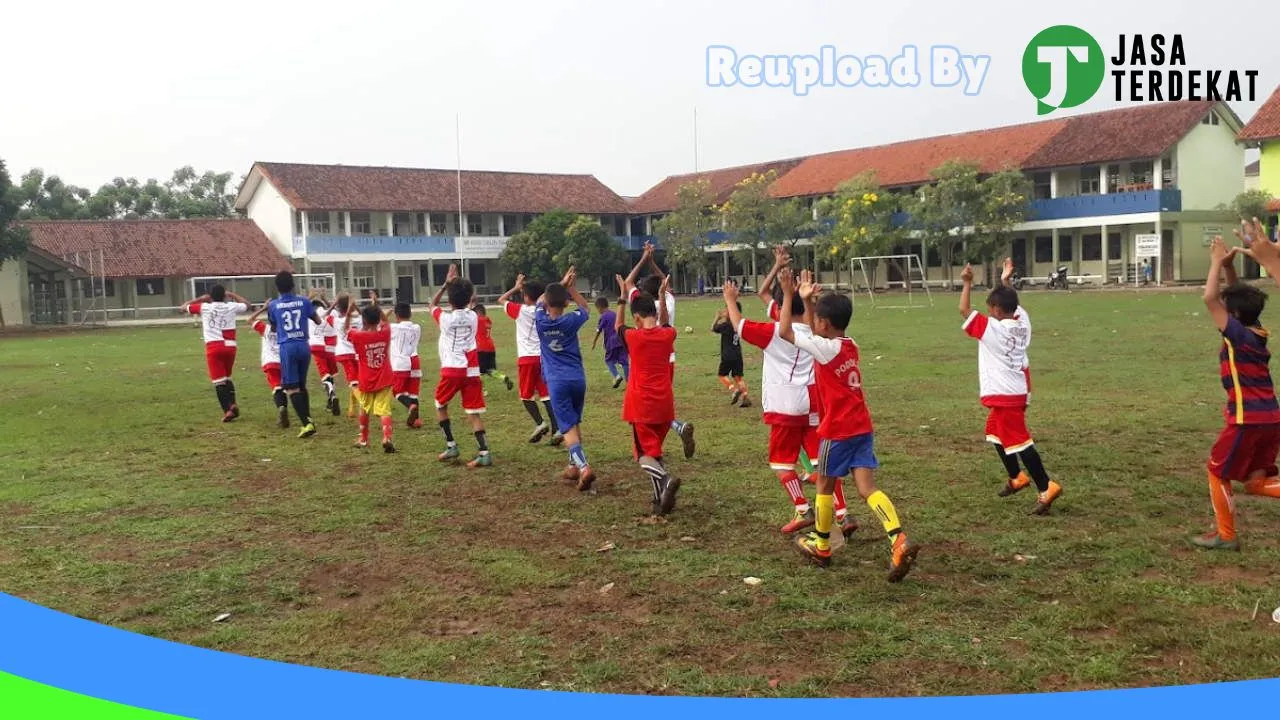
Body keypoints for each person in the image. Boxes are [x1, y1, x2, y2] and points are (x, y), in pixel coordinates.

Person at [777, 270, 919, 581]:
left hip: (837, 430)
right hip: (861, 426)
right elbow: (817, 334)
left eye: (817, 319)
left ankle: (823, 544)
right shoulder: (849, 343)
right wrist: (809, 301)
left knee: (825, 486)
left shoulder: (825, 348)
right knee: (868, 489)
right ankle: (898, 539)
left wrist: (789, 295)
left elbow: (786, 331)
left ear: (824, 324)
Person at [725, 273, 854, 538]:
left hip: (783, 405)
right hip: (812, 403)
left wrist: (730, 299)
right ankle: (842, 512)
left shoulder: (772, 332)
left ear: (779, 304)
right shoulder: (816, 331)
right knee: (821, 463)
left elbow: (737, 324)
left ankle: (802, 508)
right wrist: (808, 299)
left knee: (782, 462)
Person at [1189, 234, 1280, 550]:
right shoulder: (1256, 330)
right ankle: (1225, 534)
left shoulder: (1238, 335)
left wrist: (1214, 261)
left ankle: (1226, 536)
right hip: (1270, 417)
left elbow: (1210, 299)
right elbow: (1235, 299)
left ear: (1234, 317)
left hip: (1246, 419)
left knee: (1216, 472)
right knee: (1256, 482)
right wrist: (1229, 268)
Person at [959, 258, 1063, 515]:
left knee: (1020, 442)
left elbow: (964, 310)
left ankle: (1046, 486)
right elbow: (1010, 302)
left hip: (1006, 394)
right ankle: (1016, 476)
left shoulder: (993, 329)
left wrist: (967, 283)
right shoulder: (1022, 323)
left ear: (994, 310)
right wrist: (1005, 280)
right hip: (1015, 389)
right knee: (994, 431)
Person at [616, 274, 680, 515]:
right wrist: (662, 297)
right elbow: (665, 323)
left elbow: (618, 327)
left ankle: (665, 480)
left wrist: (622, 296)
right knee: (655, 454)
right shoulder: (667, 335)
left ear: (636, 318)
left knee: (643, 456)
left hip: (641, 406)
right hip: (665, 406)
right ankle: (659, 500)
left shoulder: (634, 337)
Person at [624, 242, 695, 458]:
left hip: (645, 357)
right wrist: (653, 262)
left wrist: (645, 258)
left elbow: (627, 282)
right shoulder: (668, 300)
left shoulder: (642, 305)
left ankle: (660, 440)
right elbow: (665, 282)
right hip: (668, 358)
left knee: (646, 405)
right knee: (659, 402)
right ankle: (676, 429)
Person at [536, 266, 596, 490]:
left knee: (567, 427)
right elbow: (585, 308)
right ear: (566, 303)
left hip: (557, 381)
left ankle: (583, 467)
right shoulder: (571, 320)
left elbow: (539, 302)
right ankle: (573, 466)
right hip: (578, 379)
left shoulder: (541, 321)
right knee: (574, 421)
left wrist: (560, 285)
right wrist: (571, 289)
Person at [431, 264, 491, 468]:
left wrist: (444, 286)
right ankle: (484, 452)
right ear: (469, 298)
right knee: (473, 412)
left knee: (440, 405)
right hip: (472, 369)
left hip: (452, 368)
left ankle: (451, 445)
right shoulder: (474, 316)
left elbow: (432, 304)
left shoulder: (445, 318)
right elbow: (468, 303)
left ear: (450, 299)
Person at [499, 275, 562, 445]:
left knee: (526, 396)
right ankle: (557, 429)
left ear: (526, 296)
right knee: (546, 395)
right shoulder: (546, 311)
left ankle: (540, 423)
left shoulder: (521, 310)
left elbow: (501, 299)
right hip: (543, 358)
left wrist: (516, 287)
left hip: (526, 359)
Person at [266, 271, 325, 438]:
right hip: (303, 345)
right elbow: (318, 320)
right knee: (301, 385)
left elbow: (273, 328)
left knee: (291, 388)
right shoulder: (304, 301)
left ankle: (307, 424)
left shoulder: (273, 305)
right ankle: (308, 419)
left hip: (287, 347)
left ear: (277, 288)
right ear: (293, 285)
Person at [180, 284, 251, 422]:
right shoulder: (231, 306)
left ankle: (227, 410)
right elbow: (247, 304)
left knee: (219, 381)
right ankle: (233, 403)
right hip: (230, 346)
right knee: (227, 377)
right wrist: (232, 294)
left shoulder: (205, 307)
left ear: (210, 297)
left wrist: (200, 298)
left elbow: (183, 307)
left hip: (214, 347)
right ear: (224, 295)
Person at [347, 302, 397, 453]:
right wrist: (377, 307)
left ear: (364, 321)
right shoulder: (385, 333)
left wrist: (349, 313)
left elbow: (346, 330)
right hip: (384, 378)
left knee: (364, 409)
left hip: (366, 379)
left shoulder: (358, 336)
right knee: (384, 410)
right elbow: (386, 322)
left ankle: (364, 438)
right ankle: (387, 437)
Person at [248, 304, 289, 428]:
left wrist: (263, 308)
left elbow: (250, 319)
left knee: (276, 387)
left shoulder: (265, 329)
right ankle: (284, 409)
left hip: (270, 362)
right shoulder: (285, 330)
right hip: (284, 362)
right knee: (284, 387)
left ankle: (281, 408)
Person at [389, 301, 423, 428]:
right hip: (414, 360)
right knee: (413, 393)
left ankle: (410, 406)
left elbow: (379, 323)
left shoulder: (394, 328)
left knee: (397, 391)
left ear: (397, 315)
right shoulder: (417, 327)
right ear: (410, 313)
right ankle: (416, 420)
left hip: (400, 363)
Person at [307, 291, 340, 416]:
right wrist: (327, 300)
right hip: (331, 348)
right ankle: (330, 401)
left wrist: (309, 296)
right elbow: (334, 310)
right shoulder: (329, 313)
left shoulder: (309, 314)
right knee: (330, 375)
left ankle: (332, 393)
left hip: (317, 346)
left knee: (325, 375)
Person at [329, 293, 363, 418]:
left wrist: (333, 304)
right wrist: (354, 306)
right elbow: (362, 315)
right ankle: (354, 408)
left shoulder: (336, 320)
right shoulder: (359, 320)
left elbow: (327, 315)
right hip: (357, 354)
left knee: (354, 383)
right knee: (356, 381)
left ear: (338, 307)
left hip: (344, 353)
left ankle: (358, 406)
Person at [712, 304, 750, 408]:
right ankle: (745, 397)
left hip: (727, 355)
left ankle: (734, 390)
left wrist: (718, 317)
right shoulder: (738, 324)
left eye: (727, 310)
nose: (725, 311)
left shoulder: (726, 325)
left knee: (722, 375)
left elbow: (713, 328)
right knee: (738, 377)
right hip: (738, 354)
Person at [473, 304, 514, 391]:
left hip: (481, 348)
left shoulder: (478, 320)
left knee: (477, 371)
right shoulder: (488, 320)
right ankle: (503, 377)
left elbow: (468, 315)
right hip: (490, 348)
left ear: (478, 313)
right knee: (490, 370)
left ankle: (482, 390)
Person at [592, 295, 629, 388]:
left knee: (609, 360)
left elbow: (598, 330)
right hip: (621, 340)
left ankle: (617, 376)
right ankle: (629, 382)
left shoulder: (603, 316)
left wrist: (594, 341)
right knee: (624, 361)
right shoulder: (615, 314)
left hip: (611, 342)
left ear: (599, 307)